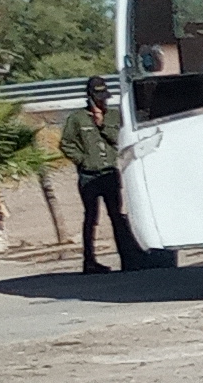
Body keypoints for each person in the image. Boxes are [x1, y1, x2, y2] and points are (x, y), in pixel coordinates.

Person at [61, 78, 142, 272]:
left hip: (109, 174)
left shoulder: (114, 117)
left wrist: (102, 124)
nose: (102, 101)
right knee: (91, 218)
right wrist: (82, 160)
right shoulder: (77, 118)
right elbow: (66, 144)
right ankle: (89, 261)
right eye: (98, 97)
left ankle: (127, 259)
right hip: (89, 176)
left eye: (104, 97)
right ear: (89, 97)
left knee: (117, 216)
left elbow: (119, 140)